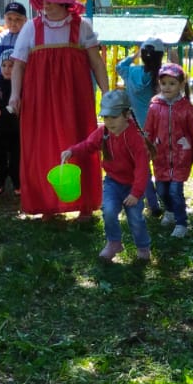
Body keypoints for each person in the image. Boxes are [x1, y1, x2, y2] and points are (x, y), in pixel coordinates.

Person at [8, 0, 108, 217]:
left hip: (75, 97)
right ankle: (47, 204)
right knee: (42, 145)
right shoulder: (32, 28)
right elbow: (19, 64)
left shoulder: (81, 27)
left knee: (80, 141)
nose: (46, 4)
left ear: (64, 2)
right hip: (39, 97)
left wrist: (107, 93)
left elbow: (96, 62)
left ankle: (84, 204)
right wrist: (14, 95)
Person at [62, 88, 152, 263]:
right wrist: (72, 151)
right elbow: (88, 145)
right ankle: (114, 243)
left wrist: (136, 193)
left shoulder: (135, 138)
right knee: (109, 211)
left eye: (114, 117)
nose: (109, 121)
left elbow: (142, 169)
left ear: (126, 114)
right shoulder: (103, 132)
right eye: (105, 117)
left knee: (136, 219)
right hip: (112, 182)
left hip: (133, 186)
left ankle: (143, 247)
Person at [143, 62, 193, 238]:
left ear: (181, 85)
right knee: (162, 190)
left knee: (175, 191)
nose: (167, 87)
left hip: (181, 158)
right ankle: (170, 211)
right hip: (160, 158)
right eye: (164, 83)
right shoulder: (154, 107)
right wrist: (145, 155)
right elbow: (148, 132)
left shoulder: (187, 109)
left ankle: (181, 223)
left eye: (172, 83)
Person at [116, 36, 165, 213]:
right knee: (161, 164)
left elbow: (119, 66)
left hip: (136, 127)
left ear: (143, 55)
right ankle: (166, 200)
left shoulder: (131, 72)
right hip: (158, 126)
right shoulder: (161, 76)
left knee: (142, 166)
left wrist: (134, 55)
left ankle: (152, 203)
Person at [0, 50, 21, 198]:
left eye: (11, 65)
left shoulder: (20, 83)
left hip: (16, 130)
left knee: (16, 159)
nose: (7, 69)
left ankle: (17, 184)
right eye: (4, 65)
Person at [0, 2, 27, 84]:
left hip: (21, 83)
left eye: (17, 19)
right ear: (4, 18)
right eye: (9, 19)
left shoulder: (27, 39)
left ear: (25, 20)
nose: (13, 23)